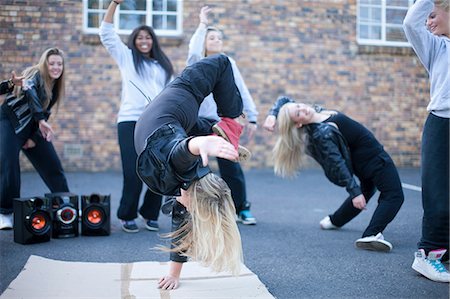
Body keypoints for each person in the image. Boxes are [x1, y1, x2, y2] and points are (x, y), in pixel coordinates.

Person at [134, 54, 245, 290]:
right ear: (193, 196)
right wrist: (200, 144)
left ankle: (214, 131)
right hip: (183, 100)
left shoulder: (183, 189)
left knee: (191, 133)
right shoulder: (181, 165)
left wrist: (173, 275)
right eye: (193, 208)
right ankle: (229, 125)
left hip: (176, 122)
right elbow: (181, 152)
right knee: (222, 62)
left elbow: (180, 227)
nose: (187, 210)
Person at [263, 96, 404, 252]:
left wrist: (272, 115)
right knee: (394, 195)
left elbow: (284, 99)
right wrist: (354, 191)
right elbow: (337, 163)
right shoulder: (321, 133)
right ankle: (371, 235)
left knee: (367, 190)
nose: (303, 109)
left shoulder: (317, 114)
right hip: (375, 160)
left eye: (299, 105)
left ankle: (334, 220)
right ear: (298, 123)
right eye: (298, 113)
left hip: (365, 160)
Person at [99, 0, 174, 233]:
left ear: (153, 41)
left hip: (156, 124)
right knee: (133, 172)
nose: (144, 41)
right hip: (130, 122)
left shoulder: (163, 66)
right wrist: (114, 4)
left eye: (148, 37)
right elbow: (106, 33)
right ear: (134, 41)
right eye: (140, 38)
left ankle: (149, 214)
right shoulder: (127, 57)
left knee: (159, 170)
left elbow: (171, 95)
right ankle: (127, 214)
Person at [186, 6, 258, 224]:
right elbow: (193, 51)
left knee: (231, 166)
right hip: (198, 122)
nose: (217, 40)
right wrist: (202, 25)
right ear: (204, 42)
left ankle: (241, 208)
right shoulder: (197, 62)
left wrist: (252, 116)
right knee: (196, 166)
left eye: (219, 38)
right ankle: (194, 209)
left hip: (222, 123)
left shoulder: (229, 63)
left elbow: (241, 88)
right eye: (212, 37)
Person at [403, 0, 450, 283]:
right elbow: (411, 23)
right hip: (442, 123)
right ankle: (427, 255)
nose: (428, 21)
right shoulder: (435, 47)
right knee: (437, 193)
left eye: (433, 16)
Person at [0, 47, 70, 229]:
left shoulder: (55, 86)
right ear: (45, 64)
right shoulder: (34, 74)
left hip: (33, 128)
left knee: (53, 164)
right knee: (9, 164)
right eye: (52, 63)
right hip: (10, 122)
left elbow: (44, 112)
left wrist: (34, 137)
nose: (56, 67)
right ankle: (6, 212)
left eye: (59, 64)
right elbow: (30, 94)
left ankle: (65, 205)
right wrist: (40, 119)